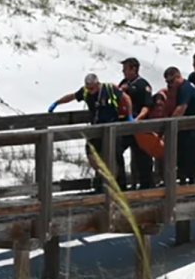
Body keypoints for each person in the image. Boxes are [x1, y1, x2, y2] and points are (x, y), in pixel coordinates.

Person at [48, 73, 134, 192]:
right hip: (96, 129)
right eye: (88, 88)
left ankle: (120, 186)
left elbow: (126, 98)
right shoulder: (85, 92)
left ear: (98, 84)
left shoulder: (109, 89)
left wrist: (130, 116)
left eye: (92, 88)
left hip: (112, 127)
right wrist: (57, 103)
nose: (90, 91)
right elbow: (72, 96)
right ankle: (102, 181)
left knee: (116, 156)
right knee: (91, 153)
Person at [164, 66, 195, 184]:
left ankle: (194, 182)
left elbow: (181, 109)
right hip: (188, 127)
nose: (170, 85)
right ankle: (185, 180)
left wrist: (169, 127)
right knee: (182, 154)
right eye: (167, 82)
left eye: (172, 81)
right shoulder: (180, 89)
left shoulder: (185, 88)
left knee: (190, 155)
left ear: (179, 77)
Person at [118, 58, 154, 190]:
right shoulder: (123, 83)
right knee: (117, 151)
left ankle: (147, 184)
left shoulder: (142, 85)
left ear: (134, 69)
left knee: (142, 156)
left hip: (140, 127)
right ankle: (121, 183)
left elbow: (147, 106)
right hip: (125, 126)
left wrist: (137, 119)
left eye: (126, 69)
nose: (123, 72)